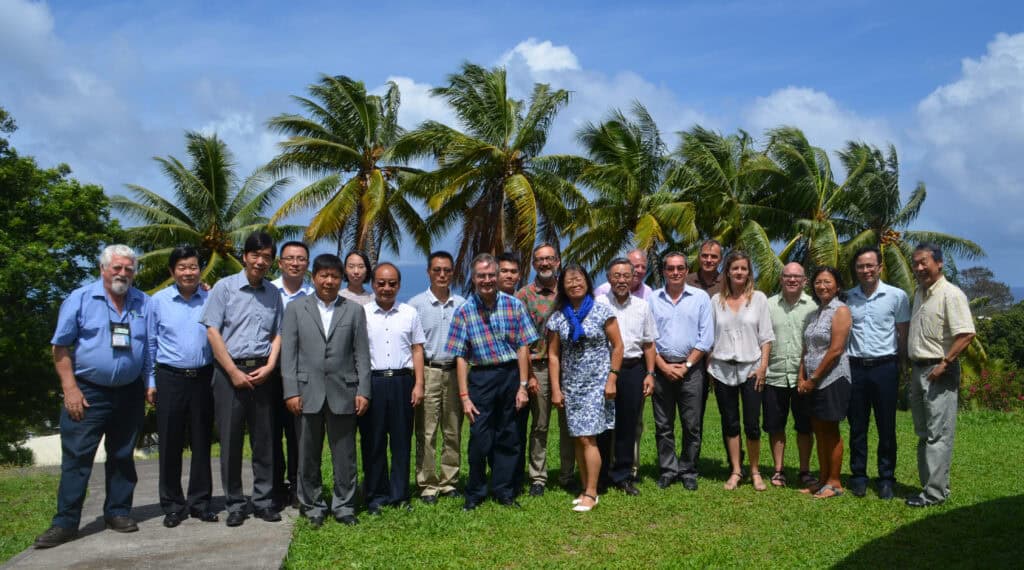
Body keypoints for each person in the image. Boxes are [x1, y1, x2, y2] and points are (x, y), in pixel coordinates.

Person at [34, 245, 150, 548]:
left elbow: (149, 349)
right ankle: (66, 522)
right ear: (102, 269)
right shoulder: (81, 298)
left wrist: (148, 384)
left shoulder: (143, 302)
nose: (123, 274)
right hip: (88, 392)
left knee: (123, 456)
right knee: (78, 458)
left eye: (129, 268)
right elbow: (60, 347)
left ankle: (118, 512)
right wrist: (70, 388)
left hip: (129, 392)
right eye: (117, 268)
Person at [281, 253, 371, 528]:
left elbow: (362, 355)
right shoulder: (297, 309)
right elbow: (289, 354)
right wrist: (291, 391)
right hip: (307, 393)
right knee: (307, 454)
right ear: (314, 277)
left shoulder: (354, 310)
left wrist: (363, 390)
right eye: (324, 275)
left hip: (344, 392)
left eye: (334, 276)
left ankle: (344, 505)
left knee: (345, 455)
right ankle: (313, 505)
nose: (329, 281)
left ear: (340, 278)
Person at [201, 231, 284, 527]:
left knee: (264, 439)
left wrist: (271, 365)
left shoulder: (273, 293)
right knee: (231, 440)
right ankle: (235, 502)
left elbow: (278, 333)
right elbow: (213, 331)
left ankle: (262, 501)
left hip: (262, 371)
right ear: (245, 256)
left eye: (267, 257)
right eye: (256, 256)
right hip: (228, 372)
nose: (261, 262)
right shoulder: (224, 288)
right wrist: (233, 372)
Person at [447, 253, 537, 510]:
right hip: (481, 378)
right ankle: (475, 492)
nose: (486, 280)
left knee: (509, 436)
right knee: (480, 438)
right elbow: (461, 357)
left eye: (490, 275)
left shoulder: (513, 305)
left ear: (497, 276)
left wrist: (522, 386)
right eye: (480, 276)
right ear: (473, 278)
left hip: (510, 375)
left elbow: (522, 347)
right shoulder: (464, 311)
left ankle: (504, 491)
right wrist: (464, 397)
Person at [146, 245, 217, 528]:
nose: (189, 273)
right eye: (182, 268)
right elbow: (150, 343)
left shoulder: (211, 298)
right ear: (172, 271)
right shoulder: (158, 301)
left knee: (202, 442)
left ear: (200, 270)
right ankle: (173, 505)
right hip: (169, 377)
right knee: (170, 443)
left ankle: (200, 503)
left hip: (203, 377)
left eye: (193, 267)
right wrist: (150, 381)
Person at [548, 264, 623, 512]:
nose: (574, 284)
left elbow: (618, 346)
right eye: (569, 281)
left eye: (578, 279)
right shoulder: (558, 317)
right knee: (578, 438)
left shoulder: (602, 311)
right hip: (572, 385)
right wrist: (557, 389)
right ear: (562, 286)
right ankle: (584, 488)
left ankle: (592, 492)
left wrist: (612, 378)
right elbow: (554, 355)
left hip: (597, 384)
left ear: (587, 283)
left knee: (588, 437)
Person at [905, 243, 975, 508]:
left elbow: (966, 333)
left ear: (939, 263)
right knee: (923, 433)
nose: (919, 268)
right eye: (916, 263)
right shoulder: (920, 294)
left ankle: (934, 494)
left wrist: (945, 363)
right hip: (919, 368)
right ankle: (931, 488)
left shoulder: (950, 294)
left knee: (938, 434)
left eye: (924, 262)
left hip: (938, 371)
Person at [360, 262, 425, 514]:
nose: (386, 288)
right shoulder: (361, 313)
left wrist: (418, 384)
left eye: (392, 283)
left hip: (402, 382)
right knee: (373, 441)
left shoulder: (409, 313)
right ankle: (376, 496)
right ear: (373, 284)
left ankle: (400, 495)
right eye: (381, 283)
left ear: (399, 285)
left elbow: (417, 349)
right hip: (373, 381)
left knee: (401, 441)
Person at [845, 246, 910, 500]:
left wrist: (903, 366)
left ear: (880, 267)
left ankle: (886, 478)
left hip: (885, 367)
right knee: (857, 426)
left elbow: (902, 334)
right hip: (855, 367)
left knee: (887, 426)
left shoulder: (897, 296)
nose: (865, 270)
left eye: (870, 265)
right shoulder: (847, 297)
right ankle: (858, 476)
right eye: (860, 266)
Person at [708, 250, 774, 491]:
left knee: (752, 423)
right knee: (730, 423)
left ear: (749, 272)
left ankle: (755, 471)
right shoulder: (716, 301)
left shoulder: (759, 299)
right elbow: (710, 338)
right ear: (727, 271)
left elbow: (766, 336)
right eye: (734, 268)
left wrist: (763, 366)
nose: (739, 272)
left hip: (751, 369)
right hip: (722, 369)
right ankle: (736, 470)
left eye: (743, 268)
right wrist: (709, 367)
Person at [649, 252, 714, 490]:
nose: (675, 272)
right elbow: (649, 338)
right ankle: (668, 469)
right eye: (670, 268)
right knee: (663, 424)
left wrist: (686, 366)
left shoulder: (700, 298)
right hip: (661, 367)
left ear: (687, 271)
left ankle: (688, 469)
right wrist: (663, 366)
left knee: (692, 424)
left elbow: (706, 338)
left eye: (680, 268)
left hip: (692, 370)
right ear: (664, 271)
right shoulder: (653, 299)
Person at [514, 244, 573, 496]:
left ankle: (568, 474)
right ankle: (538, 476)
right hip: (538, 367)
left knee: (569, 425)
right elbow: (520, 340)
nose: (545, 263)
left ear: (558, 262)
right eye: (540, 260)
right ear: (534, 264)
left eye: (550, 259)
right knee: (539, 425)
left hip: (569, 367)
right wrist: (527, 376)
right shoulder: (524, 296)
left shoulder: (570, 291)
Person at [409, 251, 466, 504]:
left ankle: (449, 482)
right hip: (429, 372)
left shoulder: (462, 304)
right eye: (437, 270)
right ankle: (428, 484)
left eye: (447, 270)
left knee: (453, 430)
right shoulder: (415, 305)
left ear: (453, 273)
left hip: (455, 372)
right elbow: (413, 346)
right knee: (427, 430)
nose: (442, 275)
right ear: (428, 273)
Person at [596, 258, 657, 496]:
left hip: (633, 369)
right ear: (608, 278)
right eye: (616, 276)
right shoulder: (598, 303)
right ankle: (599, 477)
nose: (621, 280)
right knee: (602, 425)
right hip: (603, 370)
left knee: (627, 424)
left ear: (633, 278)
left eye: (626, 276)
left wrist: (650, 373)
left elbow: (649, 343)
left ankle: (622, 475)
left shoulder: (642, 306)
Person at [797, 266, 852, 499]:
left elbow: (836, 350)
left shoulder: (840, 310)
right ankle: (821, 479)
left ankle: (835, 482)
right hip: (812, 380)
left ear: (837, 285)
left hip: (832, 378)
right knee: (819, 430)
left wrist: (815, 378)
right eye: (818, 282)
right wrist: (802, 377)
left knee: (830, 430)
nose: (822, 286)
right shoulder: (814, 313)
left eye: (827, 282)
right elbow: (807, 349)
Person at [764, 262, 817, 489]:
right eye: (788, 276)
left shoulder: (815, 306)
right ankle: (778, 470)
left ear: (805, 281)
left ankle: (804, 471)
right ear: (781, 279)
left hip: (803, 377)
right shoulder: (767, 305)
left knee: (805, 426)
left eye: (797, 277)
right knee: (775, 425)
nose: (792, 280)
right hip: (773, 374)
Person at [270, 241, 314, 510]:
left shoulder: (313, 296)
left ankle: (299, 488)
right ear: (280, 262)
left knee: (300, 434)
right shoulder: (268, 291)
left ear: (307, 264)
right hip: (270, 372)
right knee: (271, 433)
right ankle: (275, 488)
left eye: (301, 259)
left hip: (302, 373)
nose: (296, 263)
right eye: (290, 258)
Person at [497, 252, 529, 495]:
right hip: (487, 376)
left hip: (516, 373)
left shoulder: (520, 303)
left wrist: (525, 382)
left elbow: (523, 345)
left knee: (516, 431)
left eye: (513, 271)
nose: (509, 275)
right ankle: (495, 478)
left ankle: (514, 480)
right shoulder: (479, 302)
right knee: (491, 431)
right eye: (504, 271)